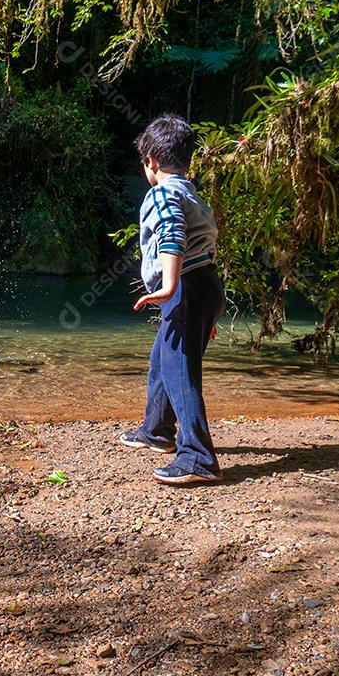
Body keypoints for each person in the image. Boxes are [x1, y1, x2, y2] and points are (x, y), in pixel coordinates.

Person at [119, 113, 226, 485]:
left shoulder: (162, 192)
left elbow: (172, 232)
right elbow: (205, 241)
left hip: (187, 286)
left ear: (150, 161)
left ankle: (198, 457)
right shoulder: (191, 192)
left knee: (181, 373)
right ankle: (157, 430)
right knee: (164, 361)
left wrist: (168, 285)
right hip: (204, 285)